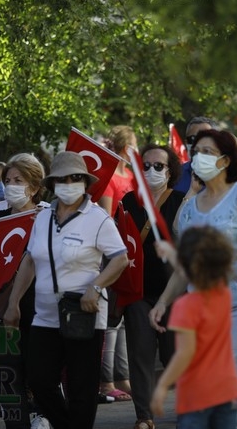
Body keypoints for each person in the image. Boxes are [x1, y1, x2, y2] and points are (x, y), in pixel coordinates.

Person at [150, 129, 237, 429]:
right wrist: (163, 301)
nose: (198, 156)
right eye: (195, 150)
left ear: (225, 160)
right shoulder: (190, 210)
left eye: (207, 152)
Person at [3, 151, 128, 429]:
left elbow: (120, 258)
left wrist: (96, 287)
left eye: (75, 178)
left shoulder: (98, 218)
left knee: (82, 389)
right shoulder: (44, 217)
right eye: (62, 179)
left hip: (83, 314)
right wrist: (14, 302)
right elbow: (29, 260)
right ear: (52, 184)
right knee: (39, 379)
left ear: (85, 182)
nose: (68, 183)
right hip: (45, 316)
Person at [0, 153, 47, 428]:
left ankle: (42, 413)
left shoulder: (47, 215)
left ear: (35, 187)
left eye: (19, 180)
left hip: (37, 308)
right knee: (7, 377)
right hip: (1, 309)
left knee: (35, 371)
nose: (11, 185)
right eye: (8, 180)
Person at [151, 225, 237, 429]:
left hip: (197, 395)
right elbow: (196, 268)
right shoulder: (224, 294)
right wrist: (174, 254)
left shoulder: (185, 306)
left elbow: (185, 352)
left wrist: (163, 385)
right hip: (227, 390)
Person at [121, 144, 185, 429]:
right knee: (140, 353)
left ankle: (187, 410)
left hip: (175, 293)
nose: (150, 171)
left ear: (170, 171)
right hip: (138, 293)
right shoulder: (127, 202)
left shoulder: (182, 201)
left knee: (176, 354)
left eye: (158, 166)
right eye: (145, 165)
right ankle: (144, 416)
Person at [98, 125, 137, 401]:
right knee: (111, 316)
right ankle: (105, 381)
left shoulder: (134, 177)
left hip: (132, 252)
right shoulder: (110, 177)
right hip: (113, 250)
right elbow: (105, 213)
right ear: (126, 148)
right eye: (134, 144)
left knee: (122, 314)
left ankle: (123, 377)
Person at [174, 117, 218, 194]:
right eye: (193, 138)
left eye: (205, 137)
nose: (198, 143)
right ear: (186, 142)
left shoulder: (228, 176)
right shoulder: (175, 175)